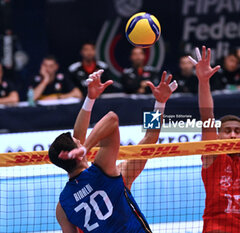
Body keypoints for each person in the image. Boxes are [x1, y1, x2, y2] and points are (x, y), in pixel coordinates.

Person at [50, 69, 177, 232]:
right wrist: (160, 104)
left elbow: (79, 138)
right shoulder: (115, 173)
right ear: (78, 154)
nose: (81, 140)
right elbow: (149, 138)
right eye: (78, 143)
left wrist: (90, 99)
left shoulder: (62, 208)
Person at [189, 44, 240, 232]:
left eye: (236, 131)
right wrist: (203, 81)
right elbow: (207, 116)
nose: (233, 135)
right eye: (227, 131)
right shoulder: (212, 158)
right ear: (218, 136)